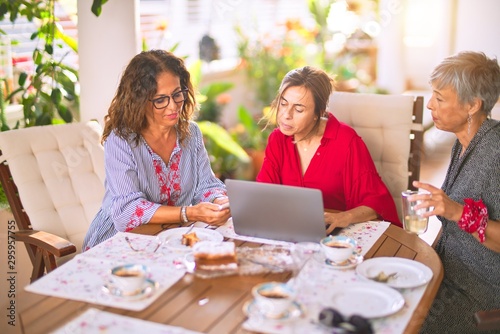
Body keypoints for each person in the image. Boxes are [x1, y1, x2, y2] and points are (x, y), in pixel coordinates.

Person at [83, 50, 230, 250]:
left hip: (172, 237)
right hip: (120, 241)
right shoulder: (121, 141)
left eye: (177, 94)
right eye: (161, 100)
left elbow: (205, 185)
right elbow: (128, 210)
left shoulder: (191, 133)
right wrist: (189, 213)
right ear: (140, 101)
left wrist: (220, 202)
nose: (173, 107)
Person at [411, 51, 500, 333]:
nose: (430, 105)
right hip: (446, 271)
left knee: (405, 324)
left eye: (440, 98)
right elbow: (452, 228)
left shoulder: (495, 152)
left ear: (473, 105)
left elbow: (459, 215)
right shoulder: (462, 142)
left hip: (478, 291)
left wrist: (455, 210)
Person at [256, 66, 401, 233]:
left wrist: (344, 217)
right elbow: (265, 194)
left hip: (336, 238)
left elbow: (376, 202)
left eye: (299, 109)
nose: (286, 114)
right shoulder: (278, 139)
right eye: (283, 103)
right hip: (289, 232)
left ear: (319, 112)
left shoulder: (346, 141)